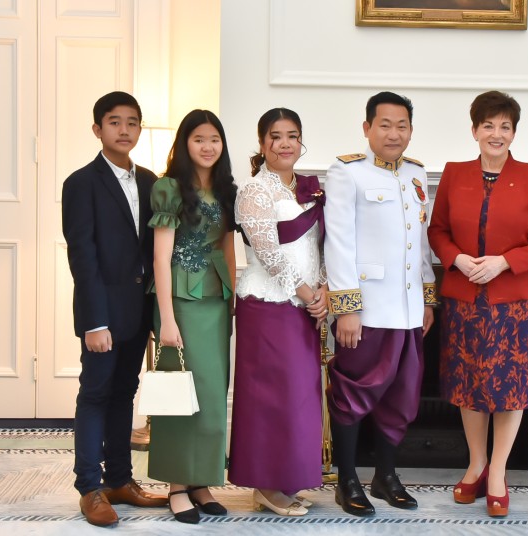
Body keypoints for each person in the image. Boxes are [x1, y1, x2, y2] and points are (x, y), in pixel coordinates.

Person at [428, 91, 528, 517]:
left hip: (513, 303)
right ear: (474, 130)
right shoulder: (454, 173)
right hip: (465, 298)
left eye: (505, 126)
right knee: (468, 387)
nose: (496, 134)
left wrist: (505, 262)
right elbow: (437, 231)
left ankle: (499, 471)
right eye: (488, 125)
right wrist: (458, 259)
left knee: (509, 389)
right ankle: (476, 463)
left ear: (514, 133)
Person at [324, 91, 437, 517]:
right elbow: (338, 241)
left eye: (402, 125)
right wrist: (347, 307)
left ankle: (386, 476)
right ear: (367, 127)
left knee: (403, 396)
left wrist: (427, 298)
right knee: (353, 395)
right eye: (385, 124)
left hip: (408, 312)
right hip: (366, 310)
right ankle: (348, 479)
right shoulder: (346, 172)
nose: (394, 133)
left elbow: (419, 243)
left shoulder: (415, 174)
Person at [62, 91, 168, 528]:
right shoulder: (81, 183)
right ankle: (89, 487)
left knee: (125, 393)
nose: (124, 130)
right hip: (103, 314)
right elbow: (82, 257)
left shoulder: (151, 181)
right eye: (114, 122)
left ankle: (120, 480)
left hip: (138, 311)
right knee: (96, 393)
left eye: (132, 122)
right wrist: (94, 321)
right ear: (97, 129)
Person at [228, 108, 328, 517]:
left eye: (293, 135)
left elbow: (315, 246)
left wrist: (322, 287)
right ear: (262, 142)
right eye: (276, 136)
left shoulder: (307, 188)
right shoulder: (254, 191)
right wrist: (306, 294)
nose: (285, 143)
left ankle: (283, 481)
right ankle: (266, 484)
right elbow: (269, 253)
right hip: (269, 305)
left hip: (303, 303)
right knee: (270, 396)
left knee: (299, 397)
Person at [147, 109, 237, 524]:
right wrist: (166, 317)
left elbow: (229, 249)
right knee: (181, 394)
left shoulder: (225, 189)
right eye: (199, 138)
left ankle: (201, 480)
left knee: (213, 395)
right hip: (179, 301)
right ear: (185, 143)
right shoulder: (169, 188)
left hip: (217, 300)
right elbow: (160, 257)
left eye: (214, 139)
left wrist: (237, 298)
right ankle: (176, 485)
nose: (207, 146)